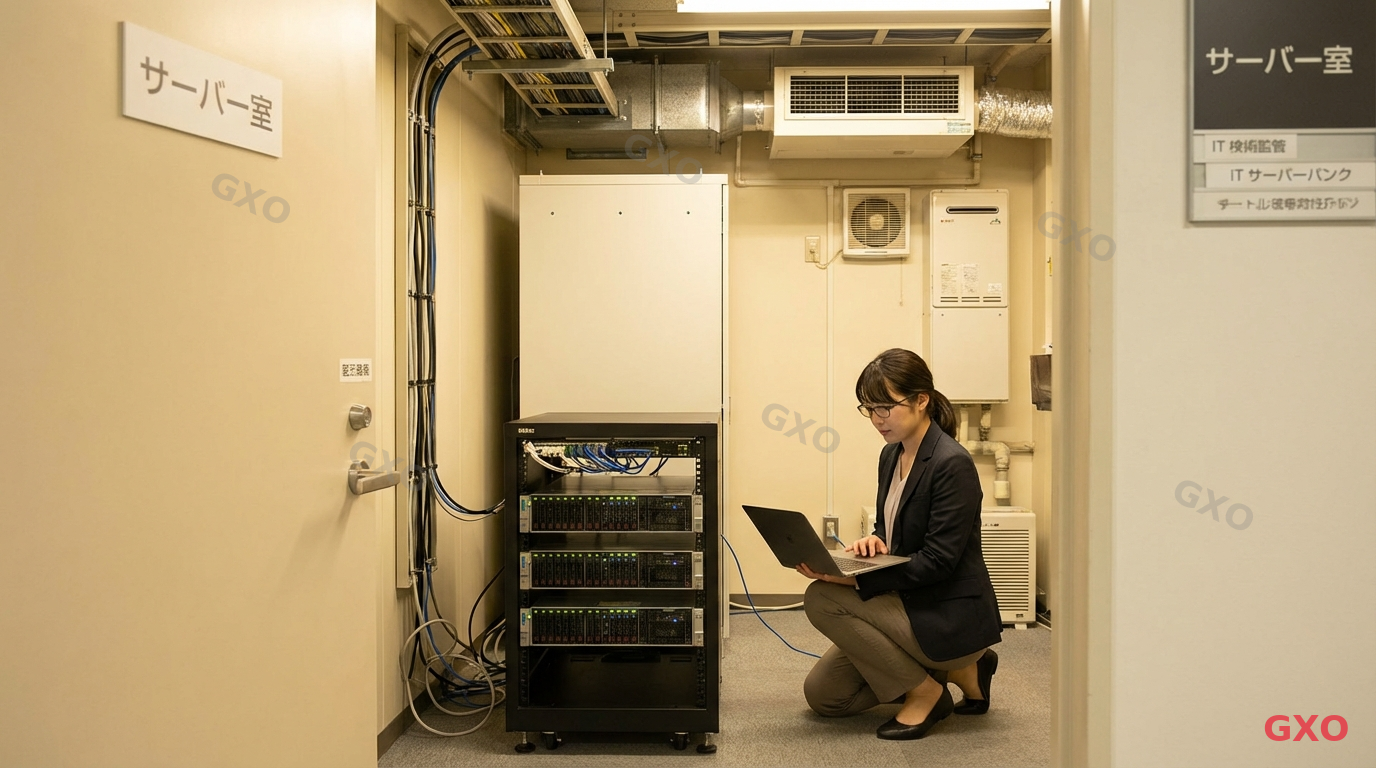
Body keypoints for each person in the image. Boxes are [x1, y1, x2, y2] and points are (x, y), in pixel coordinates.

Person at [795, 348, 1003, 740]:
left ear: (921, 400)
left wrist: (855, 582)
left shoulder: (951, 463)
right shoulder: (891, 455)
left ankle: (926, 691)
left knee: (821, 597)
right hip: (909, 603)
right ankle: (956, 671)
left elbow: (938, 562)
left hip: (946, 614)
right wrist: (874, 542)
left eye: (886, 407)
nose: (877, 419)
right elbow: (890, 531)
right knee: (825, 697)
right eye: (869, 408)